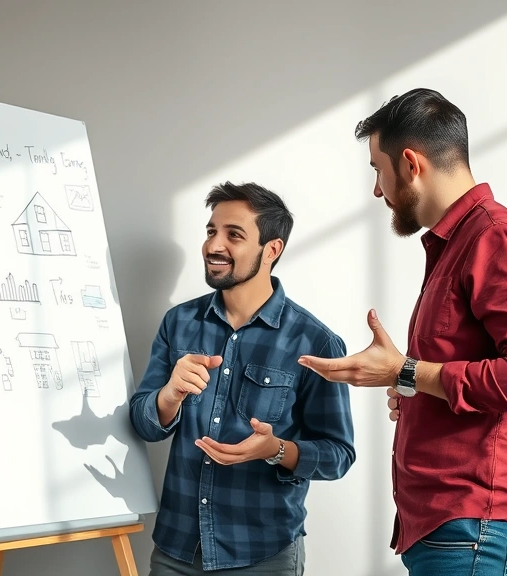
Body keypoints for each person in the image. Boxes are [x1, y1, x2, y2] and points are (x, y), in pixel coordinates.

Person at [298, 88, 507, 576]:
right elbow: (463, 370)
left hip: (473, 529)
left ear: (410, 163)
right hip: (449, 531)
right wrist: (407, 383)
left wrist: (407, 371)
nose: (377, 190)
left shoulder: (498, 239)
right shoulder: (457, 245)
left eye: (377, 170)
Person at [129, 181, 356, 575]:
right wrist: (169, 396)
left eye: (233, 235)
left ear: (271, 250)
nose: (214, 245)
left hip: (262, 555)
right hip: (175, 549)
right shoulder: (179, 324)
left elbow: (339, 455)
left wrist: (276, 449)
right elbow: (143, 424)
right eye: (211, 231)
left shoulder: (315, 342)